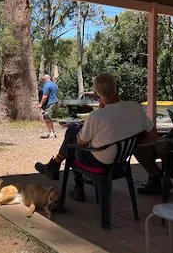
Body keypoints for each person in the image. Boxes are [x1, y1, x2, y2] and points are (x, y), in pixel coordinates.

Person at [35, 73, 154, 202]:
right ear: (116, 88)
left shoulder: (96, 116)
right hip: (122, 163)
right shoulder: (134, 107)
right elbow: (152, 132)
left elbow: (81, 142)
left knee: (72, 142)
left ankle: (73, 183)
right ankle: (56, 168)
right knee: (74, 135)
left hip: (99, 163)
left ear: (97, 95)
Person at [38, 74, 59, 138]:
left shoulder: (47, 85)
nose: (43, 81)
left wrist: (40, 104)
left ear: (45, 79)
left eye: (43, 80)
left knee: (46, 117)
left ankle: (51, 134)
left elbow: (45, 96)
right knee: (49, 118)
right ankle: (52, 132)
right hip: (55, 102)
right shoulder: (55, 85)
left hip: (51, 102)